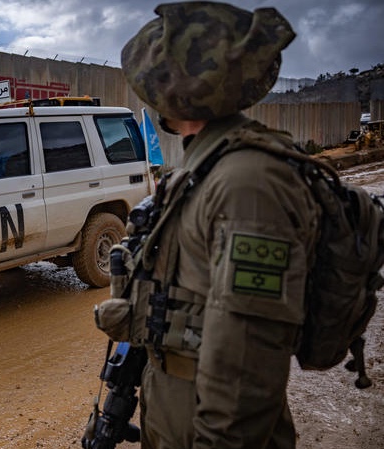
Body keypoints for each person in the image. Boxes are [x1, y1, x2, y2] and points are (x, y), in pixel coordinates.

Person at [95, 2, 321, 448]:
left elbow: (249, 359)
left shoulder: (248, 183)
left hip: (212, 418)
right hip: (176, 403)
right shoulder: (200, 168)